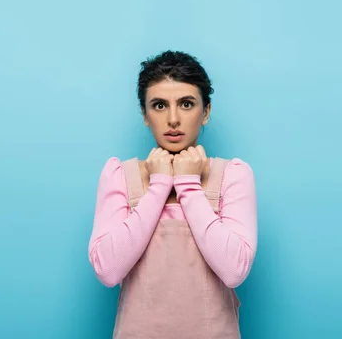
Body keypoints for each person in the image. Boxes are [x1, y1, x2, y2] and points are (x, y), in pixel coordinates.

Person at [88, 50, 258, 338]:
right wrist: (158, 185)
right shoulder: (120, 176)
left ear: (206, 112)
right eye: (159, 105)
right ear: (144, 114)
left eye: (187, 104)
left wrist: (189, 184)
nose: (174, 119)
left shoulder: (233, 175)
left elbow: (234, 270)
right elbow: (107, 270)